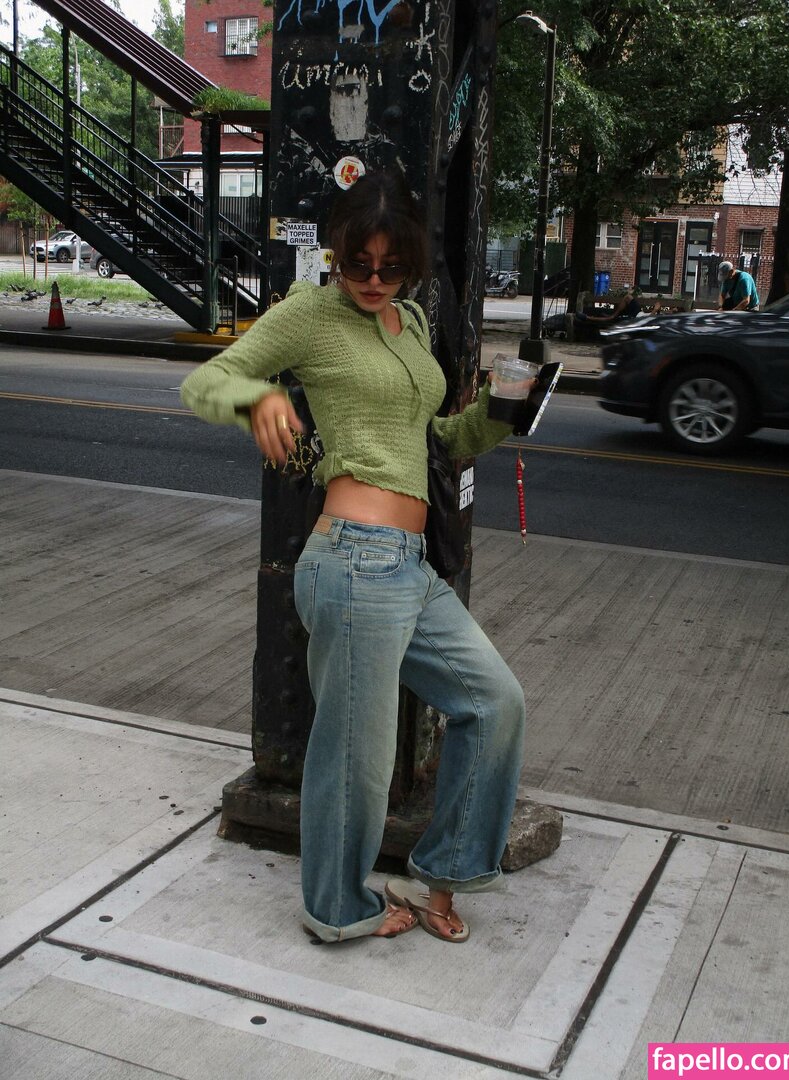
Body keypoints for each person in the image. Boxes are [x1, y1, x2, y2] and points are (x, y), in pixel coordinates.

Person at [180, 171, 525, 945]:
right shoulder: (311, 314)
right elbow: (205, 384)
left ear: (412, 264)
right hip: (353, 562)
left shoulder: (411, 321)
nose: (372, 280)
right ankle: (338, 909)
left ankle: (444, 870)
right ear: (335, 253)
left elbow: (436, 441)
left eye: (390, 267)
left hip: (410, 564)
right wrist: (259, 398)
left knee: (495, 703)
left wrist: (503, 411)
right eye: (356, 264)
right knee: (356, 759)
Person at [575, 290, 642, 325]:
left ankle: (587, 317)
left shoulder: (632, 318)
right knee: (628, 297)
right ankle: (613, 315)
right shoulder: (637, 308)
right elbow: (628, 297)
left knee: (608, 319)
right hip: (633, 313)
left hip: (632, 319)